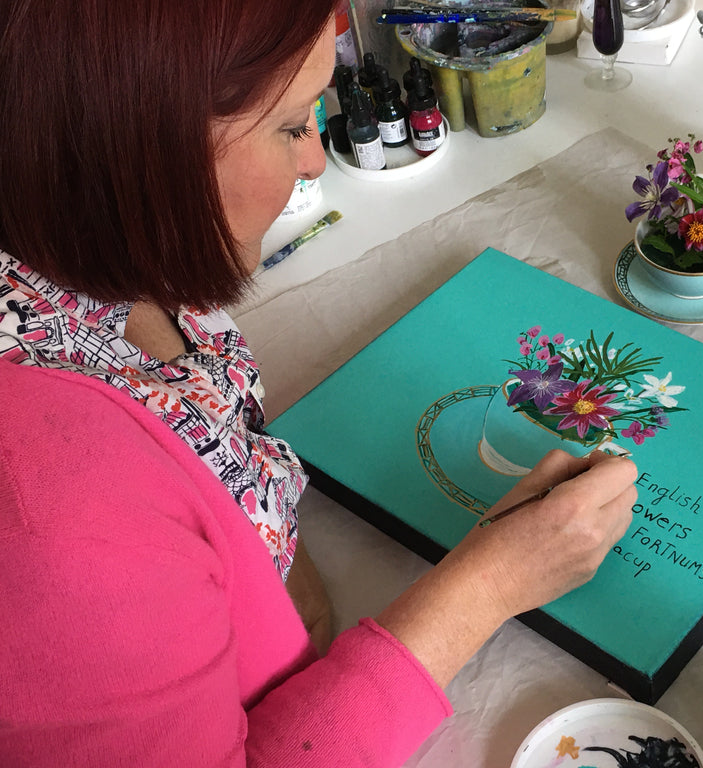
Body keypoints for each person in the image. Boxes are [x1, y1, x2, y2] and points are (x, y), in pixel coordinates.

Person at [0, 2, 639, 766]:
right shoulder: (53, 520)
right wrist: (491, 582)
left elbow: (214, 442)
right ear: (144, 146)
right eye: (292, 124)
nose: (313, 162)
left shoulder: (99, 236)